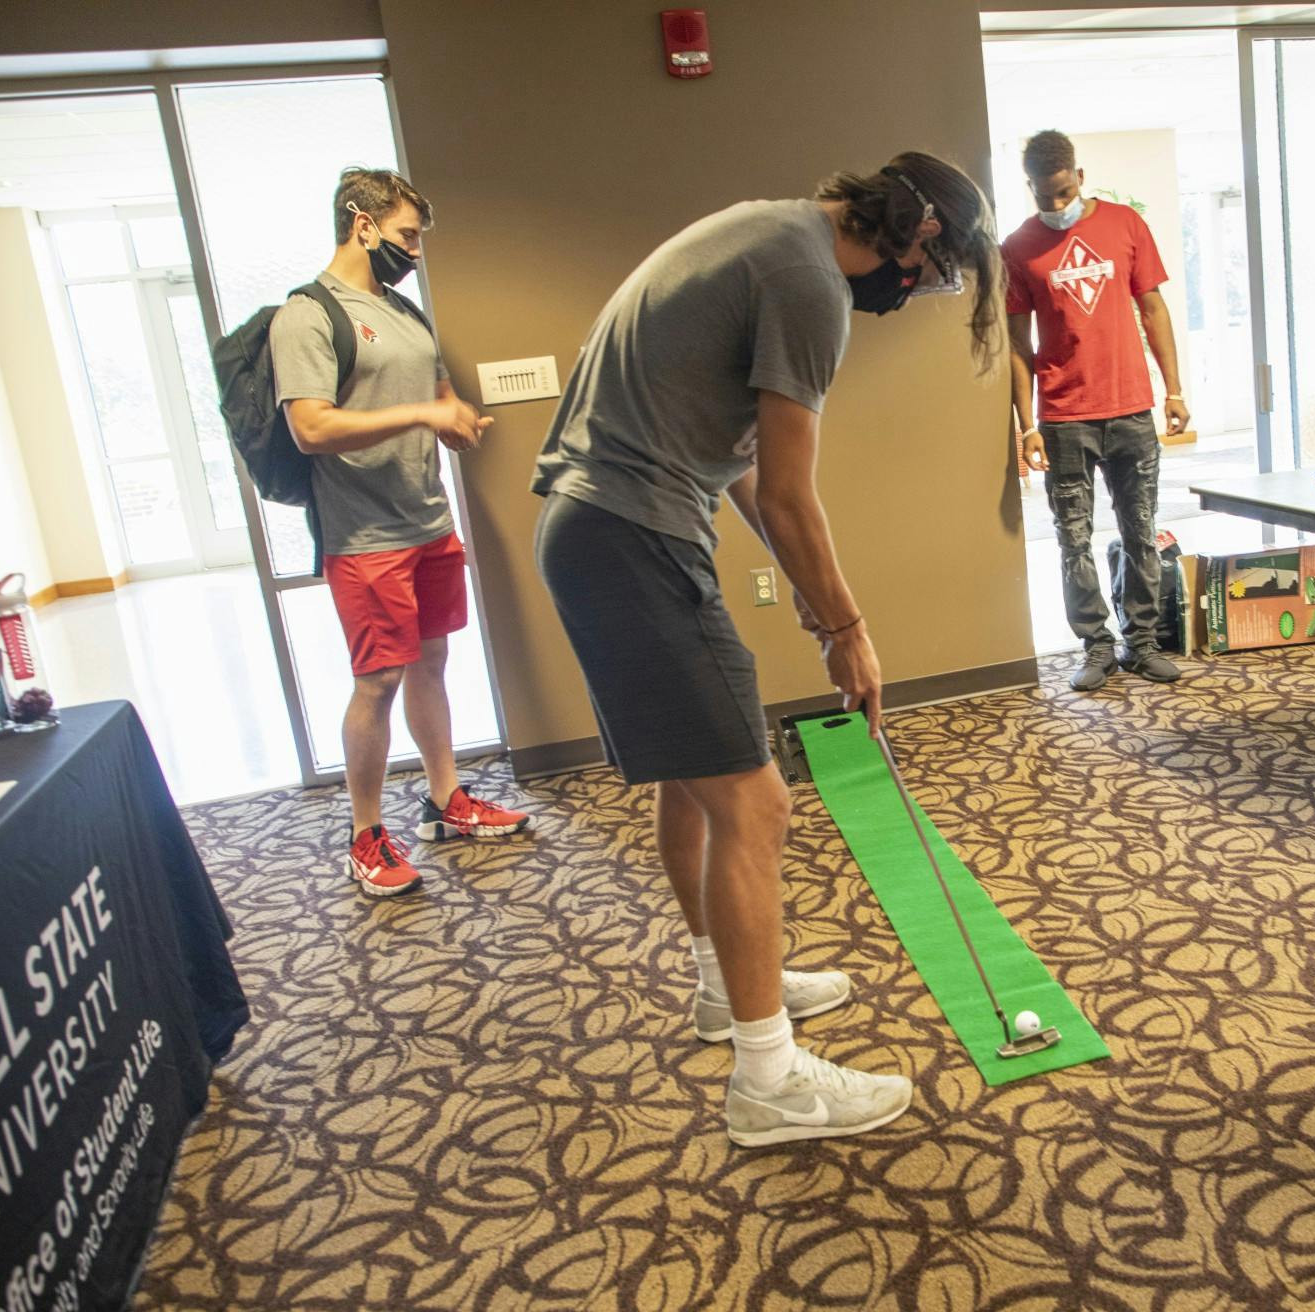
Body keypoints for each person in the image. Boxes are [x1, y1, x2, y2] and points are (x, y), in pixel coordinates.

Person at [531, 153, 1004, 1144]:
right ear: (911, 235)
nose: (912, 293)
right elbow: (790, 491)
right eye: (927, 274)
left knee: (694, 781)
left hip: (600, 530)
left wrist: (808, 595)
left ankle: (722, 985)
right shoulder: (807, 283)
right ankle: (769, 1080)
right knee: (755, 800)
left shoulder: (767, 228)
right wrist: (847, 630)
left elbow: (741, 466)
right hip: (633, 535)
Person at [271, 167, 530, 901]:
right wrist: (422, 416)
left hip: (426, 520)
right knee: (378, 680)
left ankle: (447, 800)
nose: (414, 250)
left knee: (432, 662)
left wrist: (453, 416)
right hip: (365, 534)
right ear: (363, 223)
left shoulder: (405, 312)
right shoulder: (307, 314)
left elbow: (438, 390)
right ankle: (365, 834)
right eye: (407, 234)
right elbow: (311, 425)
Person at [1004, 130, 1189, 692]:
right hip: (1064, 416)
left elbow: (1152, 307)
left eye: (1063, 192)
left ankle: (1143, 643)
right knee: (1073, 538)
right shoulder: (1018, 247)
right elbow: (1016, 342)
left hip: (1130, 407)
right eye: (1044, 197)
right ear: (1030, 188)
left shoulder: (1124, 225)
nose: (1056, 206)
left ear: (1080, 177)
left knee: (1140, 532)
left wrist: (1174, 391)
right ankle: (1097, 646)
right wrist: (1026, 424)